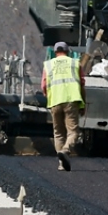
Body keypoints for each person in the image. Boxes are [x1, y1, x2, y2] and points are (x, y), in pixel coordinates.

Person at [41, 41, 85, 171]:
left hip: (55, 101)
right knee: (73, 132)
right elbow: (82, 85)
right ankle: (66, 150)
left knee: (58, 133)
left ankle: (61, 164)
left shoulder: (48, 65)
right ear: (68, 52)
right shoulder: (75, 63)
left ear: (55, 52)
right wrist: (83, 104)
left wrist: (48, 96)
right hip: (71, 101)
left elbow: (43, 85)